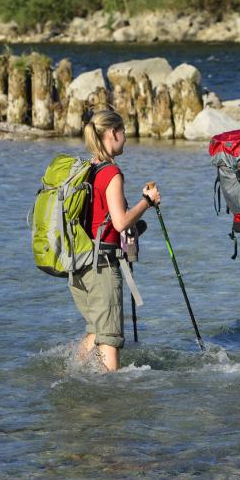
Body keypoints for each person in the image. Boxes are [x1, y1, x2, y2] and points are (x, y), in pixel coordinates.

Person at [72, 109, 160, 371]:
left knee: (95, 333)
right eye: (123, 132)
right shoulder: (111, 173)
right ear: (113, 133)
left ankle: (72, 373)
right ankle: (110, 400)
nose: (126, 138)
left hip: (81, 264)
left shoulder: (89, 168)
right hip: (102, 268)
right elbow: (120, 222)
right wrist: (147, 202)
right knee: (110, 340)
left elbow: (104, 218)